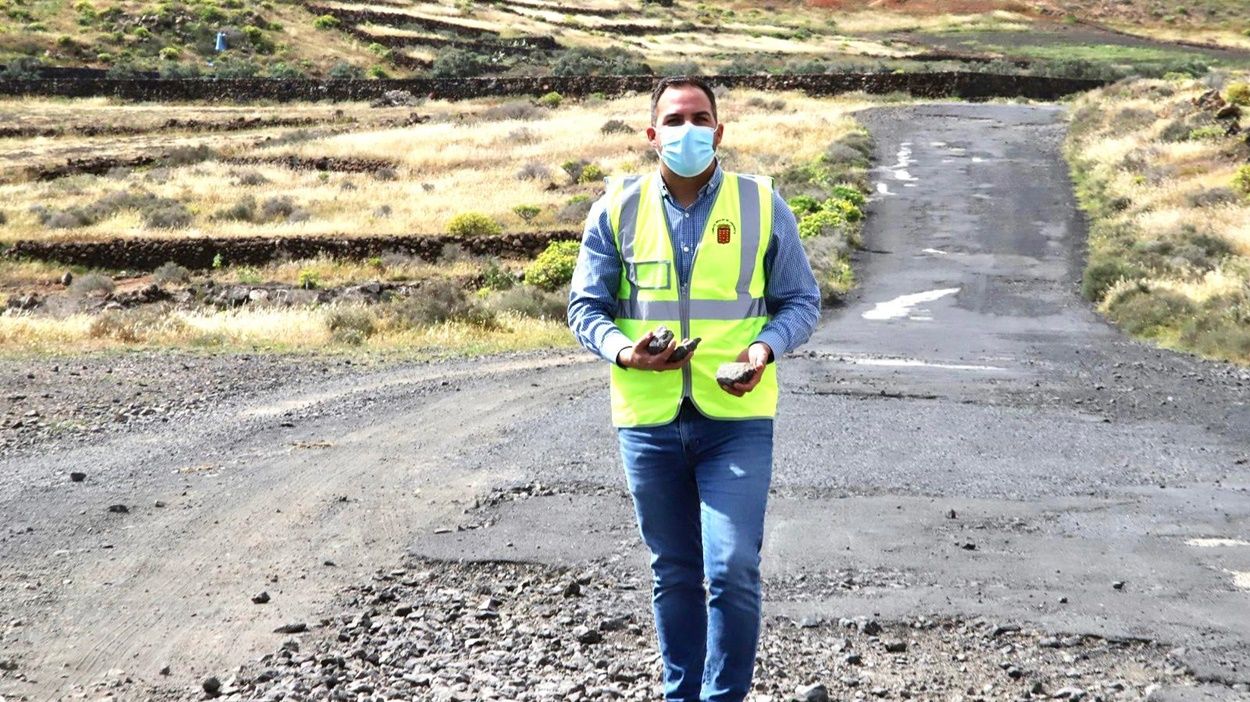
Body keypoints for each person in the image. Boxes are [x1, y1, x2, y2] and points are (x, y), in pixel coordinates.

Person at [566, 75, 821, 702]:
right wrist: (626, 352)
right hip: (647, 419)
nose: (688, 130)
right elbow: (585, 309)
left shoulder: (762, 204)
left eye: (699, 118)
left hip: (736, 417)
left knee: (731, 568)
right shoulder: (616, 208)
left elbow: (801, 302)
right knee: (674, 573)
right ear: (653, 136)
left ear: (719, 131)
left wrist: (763, 349)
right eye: (674, 120)